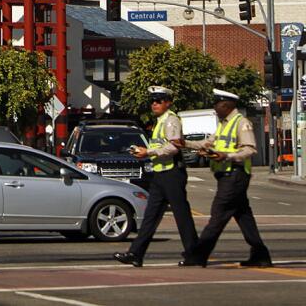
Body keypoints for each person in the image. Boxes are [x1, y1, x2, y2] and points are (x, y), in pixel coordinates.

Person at [180, 89, 272, 267]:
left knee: (218, 216)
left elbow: (250, 149)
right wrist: (185, 143)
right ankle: (261, 255)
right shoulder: (223, 124)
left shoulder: (241, 123)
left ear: (227, 105)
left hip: (235, 175)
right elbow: (209, 143)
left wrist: (227, 155)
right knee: (244, 217)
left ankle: (198, 256)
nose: (215, 108)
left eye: (217, 104)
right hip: (226, 176)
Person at [114, 86, 198, 267]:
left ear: (168, 102)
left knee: (181, 215)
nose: (154, 104)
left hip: (172, 173)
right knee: (150, 216)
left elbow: (174, 147)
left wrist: (148, 152)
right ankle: (136, 253)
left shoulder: (171, 120)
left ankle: (194, 254)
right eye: (152, 101)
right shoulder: (160, 121)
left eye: (159, 100)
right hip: (161, 173)